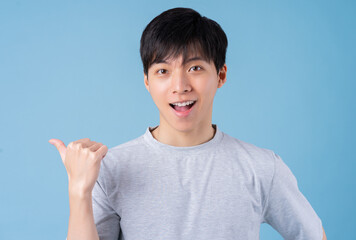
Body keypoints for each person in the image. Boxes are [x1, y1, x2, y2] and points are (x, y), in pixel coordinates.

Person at [49, 7, 327, 240]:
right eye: (163, 71)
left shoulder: (263, 168)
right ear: (147, 81)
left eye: (195, 68)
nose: (179, 86)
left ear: (221, 75)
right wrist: (79, 190)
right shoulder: (110, 168)